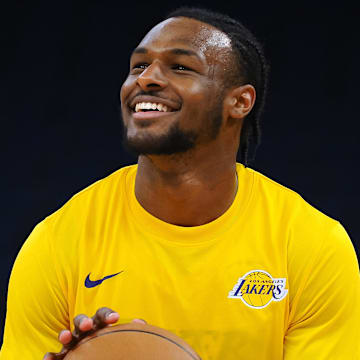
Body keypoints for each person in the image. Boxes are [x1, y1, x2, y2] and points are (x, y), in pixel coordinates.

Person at [1, 7, 359, 360]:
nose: (146, 78)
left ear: (240, 101)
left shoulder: (312, 245)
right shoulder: (59, 241)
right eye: (138, 65)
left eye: (180, 67)